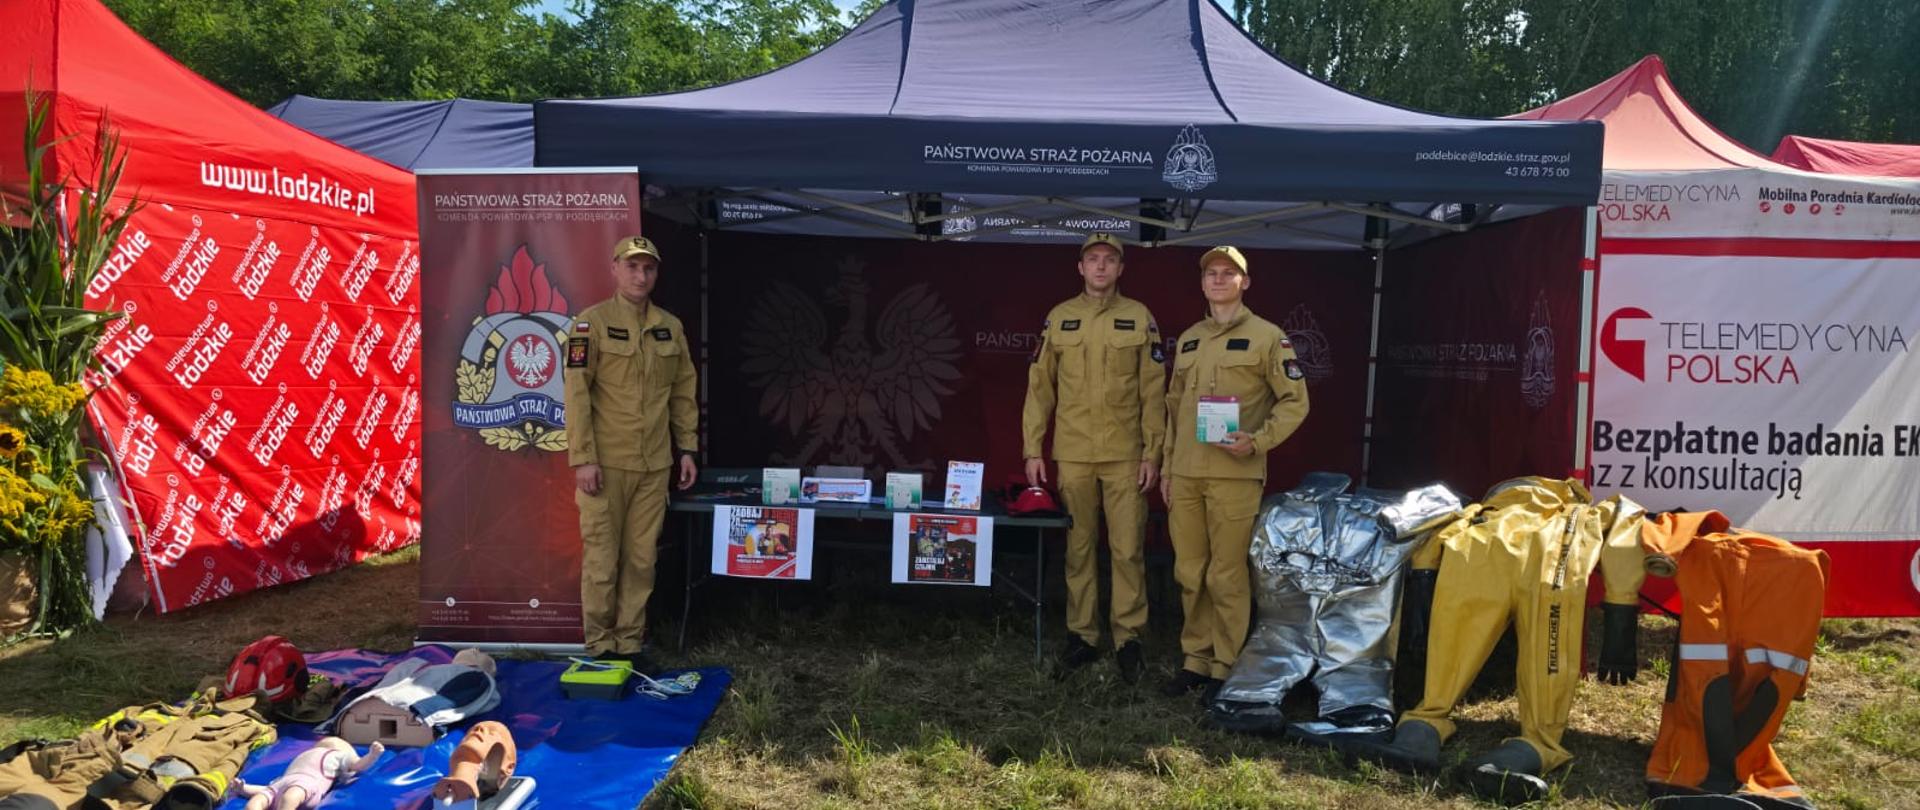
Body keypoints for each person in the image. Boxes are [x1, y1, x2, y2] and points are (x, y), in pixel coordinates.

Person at [1158, 245, 1309, 700]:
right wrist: (1167, 468)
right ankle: (1195, 659)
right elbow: (1173, 410)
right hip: (1186, 472)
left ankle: (1224, 665)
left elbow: (1295, 402)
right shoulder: (1190, 339)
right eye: (1212, 273)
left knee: (1225, 575)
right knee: (1190, 571)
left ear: (1246, 282)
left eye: (1229, 273)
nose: (1219, 279)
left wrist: (1257, 441)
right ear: (1202, 283)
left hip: (1234, 473)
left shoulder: (1268, 337)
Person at [1022, 233, 1168, 684]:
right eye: (1093, 259)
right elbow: (1039, 388)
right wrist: (1032, 448)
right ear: (1080, 267)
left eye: (1109, 260)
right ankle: (1082, 637)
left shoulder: (1139, 317)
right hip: (1074, 454)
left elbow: (1153, 392)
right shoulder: (1059, 318)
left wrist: (1153, 452)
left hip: (1125, 455)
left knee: (1127, 550)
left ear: (1121, 268)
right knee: (1079, 549)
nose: (1101, 266)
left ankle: (1129, 639)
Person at [564, 235, 698, 673]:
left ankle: (630, 642)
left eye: (649, 268)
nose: (641, 276)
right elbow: (577, 395)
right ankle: (601, 645)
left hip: (655, 464)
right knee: (603, 559)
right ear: (615, 269)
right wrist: (583, 458)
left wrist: (687, 448)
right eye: (633, 267)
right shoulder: (590, 324)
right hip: (606, 464)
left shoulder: (669, 327)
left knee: (642, 559)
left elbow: (683, 393)